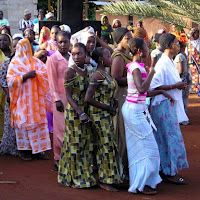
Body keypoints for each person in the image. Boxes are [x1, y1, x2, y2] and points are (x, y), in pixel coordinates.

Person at [122, 37, 175, 194]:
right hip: (134, 111)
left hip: (137, 109)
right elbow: (141, 89)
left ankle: (141, 182)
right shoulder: (136, 68)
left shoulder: (138, 66)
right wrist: (151, 72)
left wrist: (161, 91)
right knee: (148, 148)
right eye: (146, 46)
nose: (148, 49)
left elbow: (143, 92)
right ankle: (142, 183)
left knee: (141, 147)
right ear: (139, 50)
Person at [150, 33, 189, 184]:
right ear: (169, 45)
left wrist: (178, 85)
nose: (179, 45)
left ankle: (165, 169)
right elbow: (153, 86)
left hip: (168, 106)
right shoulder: (162, 64)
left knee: (166, 139)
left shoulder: (169, 61)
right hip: (162, 107)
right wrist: (175, 86)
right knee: (169, 139)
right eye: (176, 43)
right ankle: (169, 171)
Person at [58, 43, 96, 188]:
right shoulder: (70, 71)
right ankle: (74, 178)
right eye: (73, 54)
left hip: (86, 112)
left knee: (85, 145)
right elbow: (68, 96)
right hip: (75, 113)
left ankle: (80, 175)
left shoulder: (87, 70)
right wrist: (80, 112)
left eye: (79, 54)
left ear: (86, 54)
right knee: (75, 146)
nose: (76, 57)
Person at [7, 38, 51, 161]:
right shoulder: (14, 63)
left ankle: (38, 150)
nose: (25, 50)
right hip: (21, 101)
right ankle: (24, 152)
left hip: (36, 102)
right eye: (23, 47)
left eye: (28, 47)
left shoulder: (35, 62)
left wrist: (37, 74)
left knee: (38, 125)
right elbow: (10, 81)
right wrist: (25, 76)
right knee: (24, 125)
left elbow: (44, 73)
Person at [84, 47, 122, 192]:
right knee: (105, 146)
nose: (111, 59)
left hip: (106, 114)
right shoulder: (97, 76)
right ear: (101, 59)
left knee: (109, 145)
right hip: (99, 116)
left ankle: (111, 177)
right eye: (108, 56)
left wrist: (113, 103)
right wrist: (107, 107)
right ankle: (104, 179)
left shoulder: (105, 73)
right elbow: (88, 98)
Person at [46, 31, 71, 169]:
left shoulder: (73, 57)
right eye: (60, 42)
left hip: (71, 97)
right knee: (60, 128)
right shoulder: (53, 59)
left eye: (65, 42)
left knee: (70, 127)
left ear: (69, 42)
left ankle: (69, 156)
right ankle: (58, 157)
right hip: (60, 97)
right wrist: (56, 99)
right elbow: (52, 81)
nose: (62, 45)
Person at [110, 27, 132, 175]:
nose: (129, 41)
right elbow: (116, 78)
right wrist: (134, 78)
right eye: (127, 38)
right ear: (119, 40)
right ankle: (119, 168)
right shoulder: (118, 57)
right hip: (121, 96)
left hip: (127, 95)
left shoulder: (126, 54)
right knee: (121, 132)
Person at [0, 37, 21, 155]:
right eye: (15, 47)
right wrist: (8, 94)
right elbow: (2, 79)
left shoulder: (29, 62)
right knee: (10, 122)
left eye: (19, 46)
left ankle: (23, 147)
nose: (17, 49)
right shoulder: (8, 62)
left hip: (25, 99)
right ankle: (10, 148)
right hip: (12, 97)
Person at [0, 33, 12, 141]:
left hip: (9, 89)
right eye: (0, 40)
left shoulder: (13, 56)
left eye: (4, 40)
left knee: (7, 113)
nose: (2, 42)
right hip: (1, 87)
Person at [174, 42, 192, 118]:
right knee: (184, 99)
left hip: (181, 80)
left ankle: (182, 118)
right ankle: (183, 117)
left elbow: (180, 70)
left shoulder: (179, 56)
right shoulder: (183, 55)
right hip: (186, 79)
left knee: (181, 100)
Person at [185, 28, 200, 93]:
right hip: (192, 62)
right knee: (193, 75)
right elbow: (186, 53)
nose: (197, 34)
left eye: (198, 32)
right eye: (195, 33)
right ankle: (194, 89)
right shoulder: (189, 44)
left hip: (199, 62)